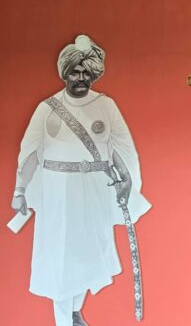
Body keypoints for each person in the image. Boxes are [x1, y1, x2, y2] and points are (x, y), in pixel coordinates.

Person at [11, 34, 151, 326]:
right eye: (75, 72)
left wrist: (127, 181)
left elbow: (118, 148)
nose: (81, 78)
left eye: (87, 73)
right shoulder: (47, 108)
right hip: (58, 191)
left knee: (87, 252)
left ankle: (74, 312)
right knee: (61, 254)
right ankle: (64, 321)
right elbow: (31, 152)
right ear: (65, 73)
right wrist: (20, 190)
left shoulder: (106, 106)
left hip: (94, 191)